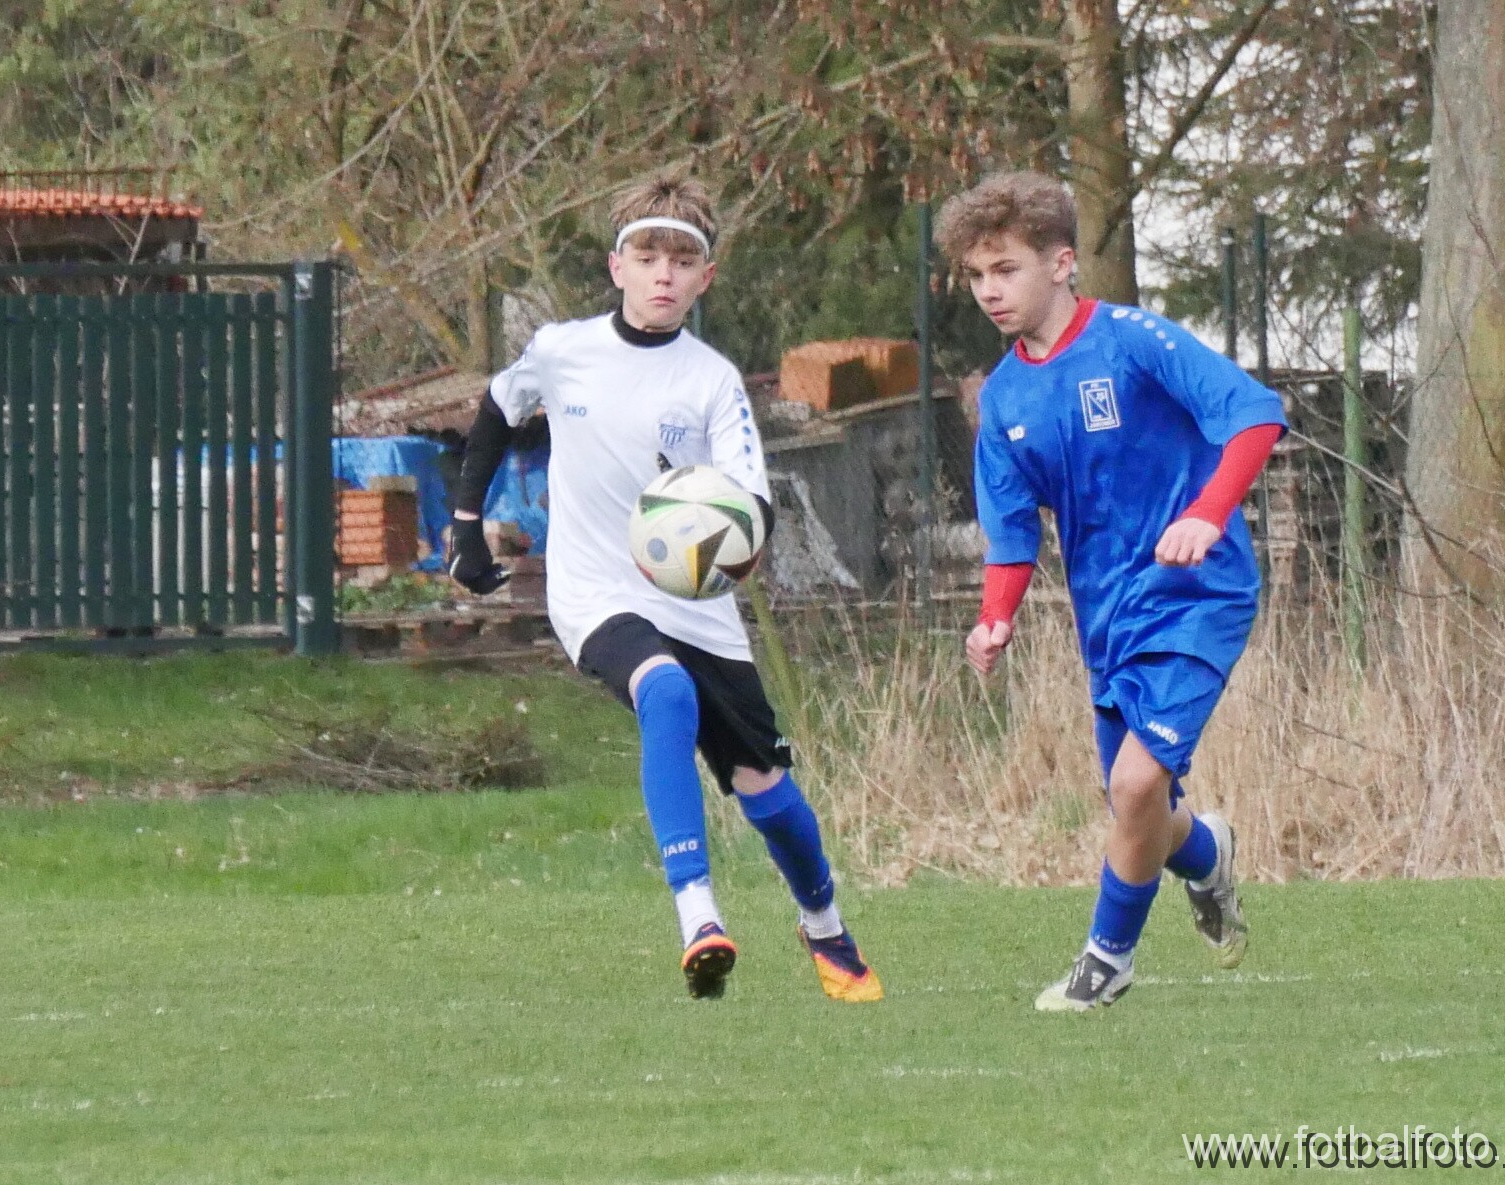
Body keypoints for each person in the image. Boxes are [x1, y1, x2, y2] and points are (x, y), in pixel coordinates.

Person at [448, 174, 881, 1003]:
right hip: (595, 592)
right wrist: (467, 523)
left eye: (682, 262)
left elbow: (752, 501)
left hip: (696, 602)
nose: (663, 275)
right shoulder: (563, 350)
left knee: (766, 789)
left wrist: (723, 540)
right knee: (666, 691)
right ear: (617, 266)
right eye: (648, 257)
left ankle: (824, 924)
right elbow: (499, 408)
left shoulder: (712, 380)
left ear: (704, 278)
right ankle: (699, 916)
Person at [938, 171, 1282, 1012]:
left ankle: (1107, 961)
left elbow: (1254, 413)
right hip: (1109, 616)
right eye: (977, 275)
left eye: (1006, 269)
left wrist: (1206, 514)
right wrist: (993, 620)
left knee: (1133, 787)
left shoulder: (1133, 341)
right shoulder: (1005, 398)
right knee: (1143, 807)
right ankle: (1207, 856)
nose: (989, 290)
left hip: (1198, 592)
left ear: (1061, 264)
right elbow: (1011, 534)